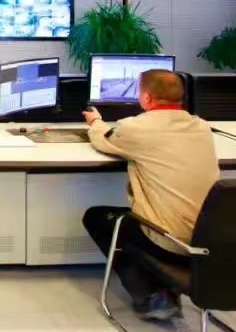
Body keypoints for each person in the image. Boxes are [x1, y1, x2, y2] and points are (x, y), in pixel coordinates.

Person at [81, 69, 220, 322]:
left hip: (171, 242)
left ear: (146, 98)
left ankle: (153, 296)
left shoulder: (136, 128)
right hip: (211, 239)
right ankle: (161, 288)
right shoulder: (201, 126)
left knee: (98, 218)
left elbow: (103, 141)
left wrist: (95, 121)